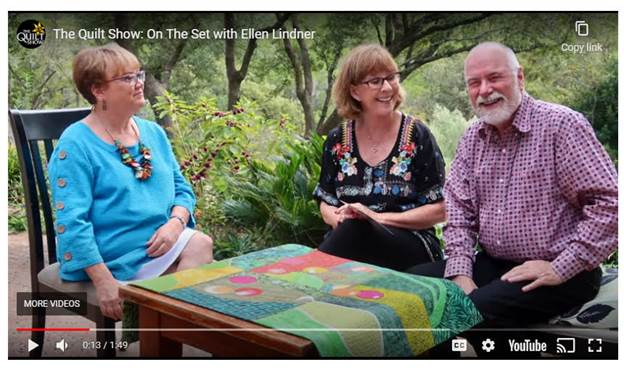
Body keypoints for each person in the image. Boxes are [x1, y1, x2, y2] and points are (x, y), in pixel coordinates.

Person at [406, 42, 617, 355]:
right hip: (494, 263)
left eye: (495, 78)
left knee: (457, 316)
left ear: (520, 78)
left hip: (564, 271)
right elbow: (459, 214)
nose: (484, 90)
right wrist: (462, 274)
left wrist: (560, 267)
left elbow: (611, 206)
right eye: (474, 83)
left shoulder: (561, 125)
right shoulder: (472, 137)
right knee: (411, 290)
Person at [48, 43, 214, 321]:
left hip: (159, 244)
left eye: (139, 75)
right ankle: (164, 340)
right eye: (127, 78)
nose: (139, 84)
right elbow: (71, 223)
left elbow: (182, 189)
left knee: (201, 246)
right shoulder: (75, 145)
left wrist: (175, 225)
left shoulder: (152, 132)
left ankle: (164, 337)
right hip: (112, 255)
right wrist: (102, 280)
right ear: (98, 90)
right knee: (196, 289)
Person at [313, 44, 447, 272]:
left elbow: (441, 208)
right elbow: (326, 199)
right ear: (355, 91)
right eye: (375, 81)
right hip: (350, 242)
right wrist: (337, 219)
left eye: (391, 78)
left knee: (353, 231)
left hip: (411, 245)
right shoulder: (337, 140)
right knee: (351, 230)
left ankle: (306, 281)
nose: (386, 88)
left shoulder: (417, 135)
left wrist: (377, 218)